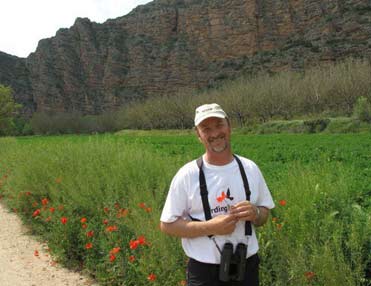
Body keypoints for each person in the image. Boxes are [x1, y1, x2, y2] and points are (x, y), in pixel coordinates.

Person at [160, 103, 275, 286]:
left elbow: (264, 215)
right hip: (205, 273)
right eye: (206, 129)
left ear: (229, 126)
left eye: (219, 125)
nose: (214, 134)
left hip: (247, 267)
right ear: (198, 135)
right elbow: (167, 225)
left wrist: (256, 213)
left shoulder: (250, 168)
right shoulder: (187, 175)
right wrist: (209, 227)